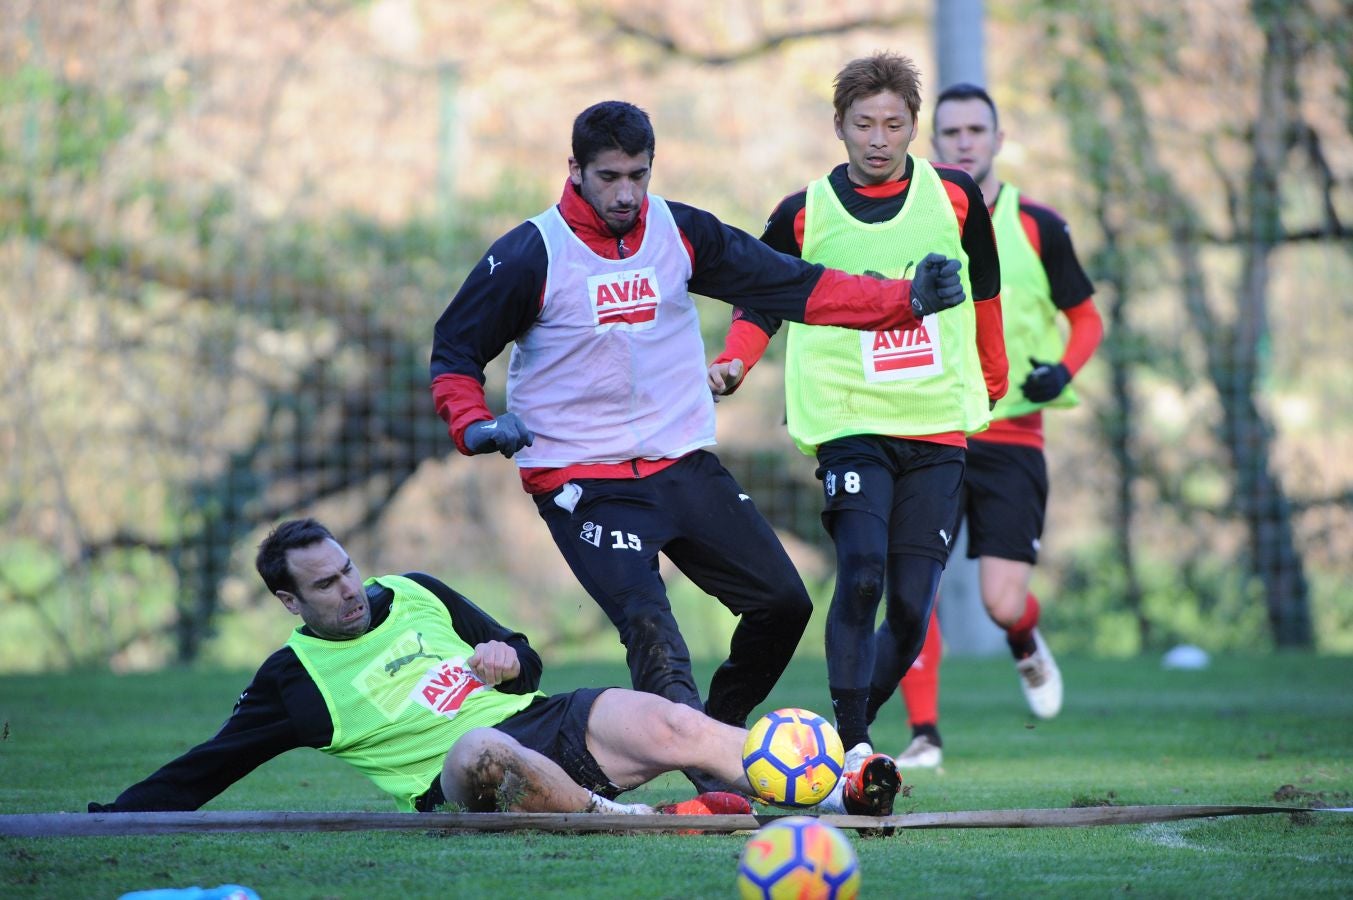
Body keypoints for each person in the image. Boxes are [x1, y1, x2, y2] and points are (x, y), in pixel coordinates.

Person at [428, 100, 965, 802]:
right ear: (575, 170)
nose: (626, 193)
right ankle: (715, 783)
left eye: (639, 175)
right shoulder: (532, 253)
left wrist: (904, 300)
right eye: (609, 177)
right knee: (653, 631)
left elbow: (794, 285)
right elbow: (455, 350)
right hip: (580, 479)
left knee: (783, 605)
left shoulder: (681, 233)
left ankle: (714, 734)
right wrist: (475, 425)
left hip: (680, 462)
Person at [88, 518, 897, 817]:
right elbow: (214, 761)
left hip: (544, 723)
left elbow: (525, 657)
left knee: (672, 719)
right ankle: (617, 818)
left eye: (346, 568)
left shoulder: (413, 591)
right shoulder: (292, 681)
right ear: (287, 601)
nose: (349, 589)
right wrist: (117, 814)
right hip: (464, 780)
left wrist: (510, 658)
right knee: (479, 751)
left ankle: (838, 790)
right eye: (325, 585)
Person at [708, 53, 1008, 810]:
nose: (879, 139)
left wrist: (992, 373)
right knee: (863, 570)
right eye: (864, 124)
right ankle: (856, 740)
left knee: (910, 606)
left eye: (894, 124)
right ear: (838, 126)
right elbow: (760, 298)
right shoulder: (802, 213)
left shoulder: (956, 197)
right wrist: (736, 360)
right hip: (848, 418)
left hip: (935, 422)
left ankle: (837, 744)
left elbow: (985, 290)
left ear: (914, 126)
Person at [889, 83, 1103, 769]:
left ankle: (1024, 639)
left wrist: (1062, 372)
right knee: (911, 589)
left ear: (998, 140)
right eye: (951, 132)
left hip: (1012, 437)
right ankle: (924, 734)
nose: (963, 142)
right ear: (933, 142)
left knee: (1001, 603)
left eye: (975, 130)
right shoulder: (911, 221)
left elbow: (1087, 319)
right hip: (933, 428)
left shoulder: (1039, 225)